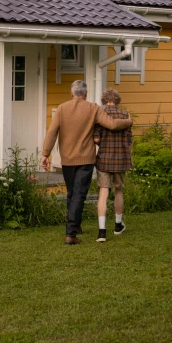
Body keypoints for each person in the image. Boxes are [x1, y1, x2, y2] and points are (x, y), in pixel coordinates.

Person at [41, 80, 133, 245]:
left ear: (71, 93)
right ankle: (71, 234)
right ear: (86, 94)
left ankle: (75, 227)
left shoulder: (62, 109)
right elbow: (111, 124)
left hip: (67, 159)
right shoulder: (93, 108)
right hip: (86, 159)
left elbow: (52, 132)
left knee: (72, 193)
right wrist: (128, 122)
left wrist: (45, 154)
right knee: (79, 194)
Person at [92, 88, 132, 242]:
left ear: (104, 100)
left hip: (104, 159)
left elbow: (96, 139)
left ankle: (102, 232)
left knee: (103, 193)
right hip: (121, 159)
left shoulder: (100, 115)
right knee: (118, 191)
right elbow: (129, 140)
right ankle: (117, 225)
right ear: (117, 99)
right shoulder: (125, 116)